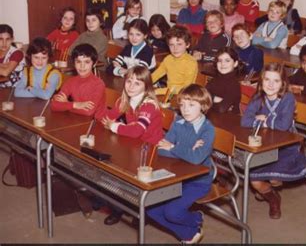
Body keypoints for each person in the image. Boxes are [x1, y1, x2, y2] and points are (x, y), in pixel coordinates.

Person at [241, 63, 306, 219]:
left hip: (287, 146)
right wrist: (257, 120)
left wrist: (263, 120)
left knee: (274, 177)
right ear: (261, 80)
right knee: (255, 181)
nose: (271, 85)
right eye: (267, 80)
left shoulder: (287, 98)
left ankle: (272, 186)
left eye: (276, 81)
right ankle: (273, 198)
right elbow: (245, 121)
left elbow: (283, 125)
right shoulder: (258, 96)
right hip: (266, 146)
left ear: (283, 83)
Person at [147, 84, 215, 244]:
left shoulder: (208, 130)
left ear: (203, 106)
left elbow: (197, 159)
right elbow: (161, 150)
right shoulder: (178, 123)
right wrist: (186, 151)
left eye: (191, 105)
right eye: (183, 105)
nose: (185, 109)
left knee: (172, 212)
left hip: (199, 181)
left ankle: (196, 218)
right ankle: (190, 232)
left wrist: (174, 148)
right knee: (151, 209)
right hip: (177, 177)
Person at [101, 65, 164, 225]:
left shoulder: (148, 104)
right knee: (112, 167)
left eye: (137, 83)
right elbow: (105, 116)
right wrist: (103, 116)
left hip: (150, 150)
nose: (131, 86)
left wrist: (114, 126)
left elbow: (136, 131)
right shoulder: (125, 100)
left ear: (146, 86)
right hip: (133, 144)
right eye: (129, 81)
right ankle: (118, 207)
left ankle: (141, 211)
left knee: (123, 169)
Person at [51, 44, 106, 119]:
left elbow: (88, 112)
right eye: (78, 62)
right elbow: (54, 105)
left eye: (87, 62)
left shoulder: (98, 84)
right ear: (74, 63)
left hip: (97, 123)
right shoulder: (71, 81)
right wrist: (75, 105)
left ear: (94, 64)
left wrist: (67, 103)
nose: (82, 66)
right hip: (78, 119)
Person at [151, 26, 198, 95]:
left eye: (179, 44)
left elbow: (185, 89)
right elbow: (156, 74)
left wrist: (158, 91)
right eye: (171, 45)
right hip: (169, 94)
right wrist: (144, 84)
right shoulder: (168, 59)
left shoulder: (191, 62)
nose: (175, 48)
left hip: (185, 96)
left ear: (187, 44)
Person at [206, 47, 241, 114]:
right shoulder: (214, 79)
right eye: (220, 60)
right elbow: (201, 97)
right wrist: (214, 98)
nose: (223, 64)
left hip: (229, 120)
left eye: (227, 60)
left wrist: (210, 98)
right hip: (213, 116)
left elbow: (221, 109)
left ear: (235, 63)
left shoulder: (234, 84)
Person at [0, 24, 25, 88]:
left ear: (12, 39)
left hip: (14, 90)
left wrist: (3, 66)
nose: (4, 43)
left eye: (7, 39)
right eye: (1, 39)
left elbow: (5, 72)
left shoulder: (17, 53)